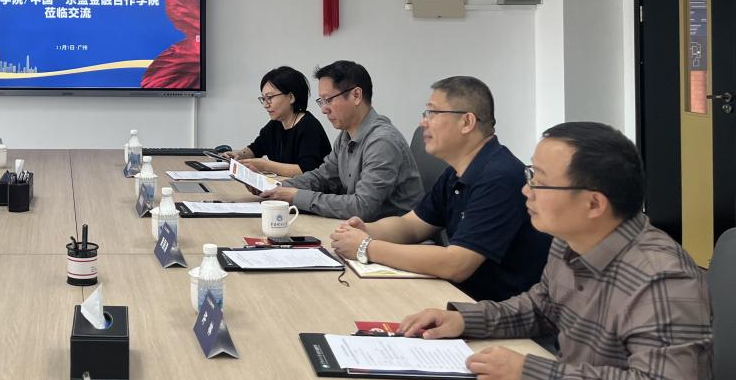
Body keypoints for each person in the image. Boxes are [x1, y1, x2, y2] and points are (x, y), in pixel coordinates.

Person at [399, 122, 726, 380]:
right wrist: (464, 319)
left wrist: (530, 372)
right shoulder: (568, 241)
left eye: (539, 181)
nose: (526, 191)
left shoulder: (662, 277)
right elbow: (542, 308)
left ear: (594, 203)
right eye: (530, 175)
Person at [329, 76, 550, 300]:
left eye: (432, 113)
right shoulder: (456, 172)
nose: (422, 123)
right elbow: (412, 225)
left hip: (496, 309)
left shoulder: (499, 177)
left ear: (467, 122)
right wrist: (366, 230)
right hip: (459, 297)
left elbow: (457, 264)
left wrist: (366, 247)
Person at [260, 60, 420, 220]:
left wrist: (296, 196)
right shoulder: (346, 136)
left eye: (328, 100)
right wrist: (276, 187)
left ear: (356, 95)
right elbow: (323, 177)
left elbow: (362, 207)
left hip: (391, 233)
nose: (324, 109)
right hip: (359, 227)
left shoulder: (382, 142)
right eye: (321, 101)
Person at [223, 66, 329, 176]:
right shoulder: (275, 124)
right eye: (263, 99)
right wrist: (240, 155)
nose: (265, 105)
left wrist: (266, 165)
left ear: (291, 97)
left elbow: (307, 170)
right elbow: (255, 149)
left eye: (269, 97)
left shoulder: (309, 126)